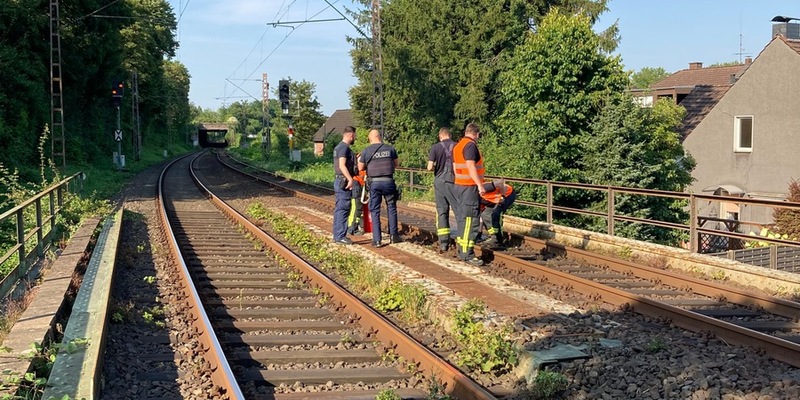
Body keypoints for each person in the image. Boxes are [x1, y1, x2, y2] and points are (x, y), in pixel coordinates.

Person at [358, 129, 401, 247]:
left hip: (375, 183)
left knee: (375, 210)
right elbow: (396, 164)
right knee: (391, 207)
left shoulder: (366, 151)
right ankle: (394, 236)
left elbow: (360, 167)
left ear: (370, 139)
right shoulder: (390, 149)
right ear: (380, 137)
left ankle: (377, 240)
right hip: (388, 181)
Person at [451, 123, 485, 266]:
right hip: (469, 188)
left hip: (459, 186)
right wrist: (479, 185)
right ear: (476, 134)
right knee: (471, 221)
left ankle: (462, 250)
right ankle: (467, 254)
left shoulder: (458, 146)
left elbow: (455, 167)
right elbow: (471, 166)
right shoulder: (470, 146)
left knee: (463, 220)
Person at [427, 127, 458, 252]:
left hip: (439, 182)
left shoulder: (435, 147)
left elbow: (429, 167)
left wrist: (437, 168)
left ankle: (444, 243)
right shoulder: (457, 146)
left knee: (442, 211)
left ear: (440, 136)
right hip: (454, 181)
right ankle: (463, 239)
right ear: (450, 135)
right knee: (458, 210)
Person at [332, 126, 357, 245]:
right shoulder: (344, 148)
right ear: (351, 135)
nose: (355, 138)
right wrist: (350, 179)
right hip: (343, 181)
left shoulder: (339, 147)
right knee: (343, 208)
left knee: (340, 209)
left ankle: (338, 235)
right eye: (355, 136)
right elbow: (342, 165)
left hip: (340, 181)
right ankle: (340, 236)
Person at [479, 179, 516, 247]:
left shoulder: (483, 188)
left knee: (495, 214)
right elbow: (480, 216)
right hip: (494, 200)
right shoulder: (475, 200)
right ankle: (494, 237)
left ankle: (498, 239)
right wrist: (479, 233)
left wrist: (502, 196)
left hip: (507, 194)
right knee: (485, 215)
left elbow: (500, 182)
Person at [347, 167, 367, 235]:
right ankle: (351, 228)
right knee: (356, 207)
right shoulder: (361, 162)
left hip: (357, 183)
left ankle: (352, 227)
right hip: (357, 182)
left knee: (355, 207)